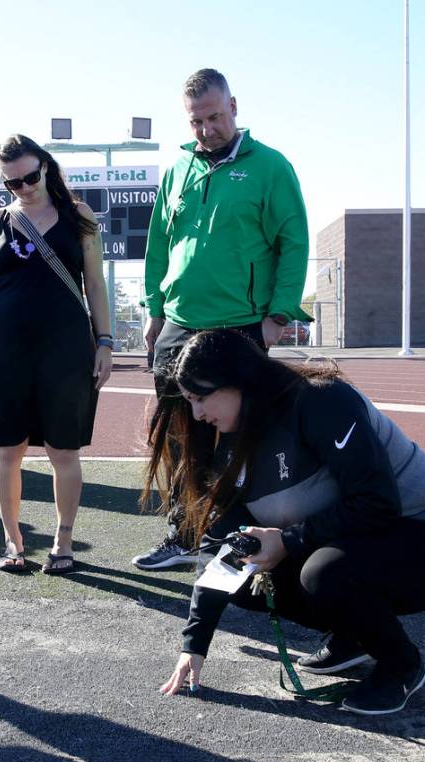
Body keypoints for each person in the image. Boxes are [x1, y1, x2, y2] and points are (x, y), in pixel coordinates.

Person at [150, 329, 425, 715]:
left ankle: (401, 665)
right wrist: (195, 643)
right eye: (189, 401)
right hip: (359, 539)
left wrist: (287, 541)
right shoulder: (228, 436)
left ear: (241, 381)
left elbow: (377, 502)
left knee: (324, 574)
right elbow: (220, 544)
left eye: (201, 398)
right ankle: (357, 633)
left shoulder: (321, 400)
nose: (198, 414)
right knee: (243, 578)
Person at [133, 67, 312, 571]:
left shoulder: (270, 166)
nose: (206, 129)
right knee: (173, 434)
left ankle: (235, 541)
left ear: (234, 106)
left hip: (240, 326)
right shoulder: (176, 171)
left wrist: (277, 315)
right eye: (196, 121)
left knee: (238, 438)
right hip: (178, 322)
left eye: (214, 116)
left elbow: (292, 242)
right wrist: (153, 308)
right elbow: (159, 247)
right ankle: (183, 534)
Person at [0, 134, 112, 574]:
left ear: (45, 166)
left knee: (64, 451)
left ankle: (63, 542)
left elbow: (95, 285)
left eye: (29, 177)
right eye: (12, 183)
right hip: (4, 350)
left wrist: (105, 341)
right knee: (7, 450)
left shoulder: (79, 216)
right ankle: (13, 542)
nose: (23, 188)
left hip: (65, 349)